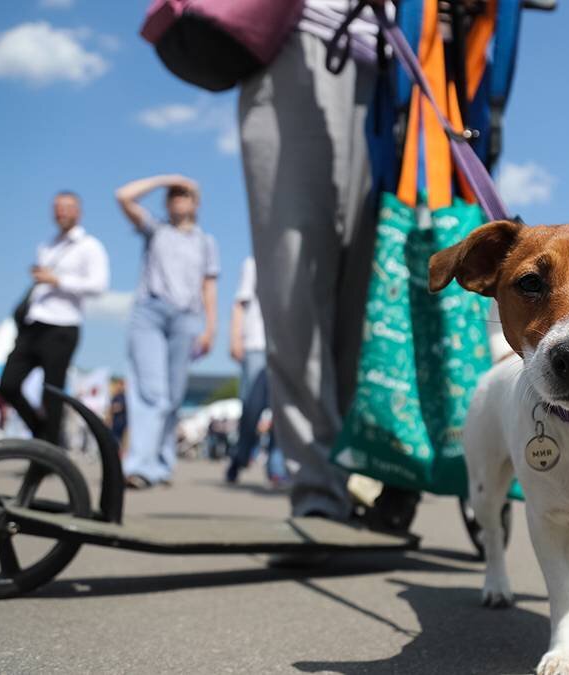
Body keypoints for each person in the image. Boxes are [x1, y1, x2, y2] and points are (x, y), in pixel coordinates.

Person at [237, 2, 423, 528]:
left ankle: (344, 477)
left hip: (397, 67)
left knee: (365, 297)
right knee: (294, 284)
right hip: (296, 44)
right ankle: (318, 487)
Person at [115, 174, 219, 489]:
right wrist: (167, 179)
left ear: (196, 203)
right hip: (150, 313)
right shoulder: (155, 230)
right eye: (172, 195)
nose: (178, 199)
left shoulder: (205, 242)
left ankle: (161, 464)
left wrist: (210, 328)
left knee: (172, 397)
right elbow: (123, 195)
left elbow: (209, 286)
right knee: (152, 391)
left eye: (184, 194)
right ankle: (139, 467)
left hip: (186, 318)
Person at [0, 191, 109, 446]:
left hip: (62, 326)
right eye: (57, 207)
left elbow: (98, 285)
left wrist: (57, 280)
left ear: (78, 211)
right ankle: (45, 435)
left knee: (52, 392)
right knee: (8, 384)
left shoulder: (89, 246)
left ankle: (47, 454)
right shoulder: (47, 245)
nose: (61, 212)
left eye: (67, 207)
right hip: (34, 323)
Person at [225, 257, 288, 486]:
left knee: (282, 409)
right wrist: (235, 337)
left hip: (285, 347)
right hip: (256, 344)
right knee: (251, 407)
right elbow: (240, 303)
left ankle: (276, 466)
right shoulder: (253, 262)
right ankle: (240, 456)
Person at [108, 376, 127, 450]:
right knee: (114, 439)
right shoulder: (116, 397)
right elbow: (112, 409)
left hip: (123, 423)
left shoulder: (125, 397)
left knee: (120, 441)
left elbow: (119, 407)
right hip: (115, 423)